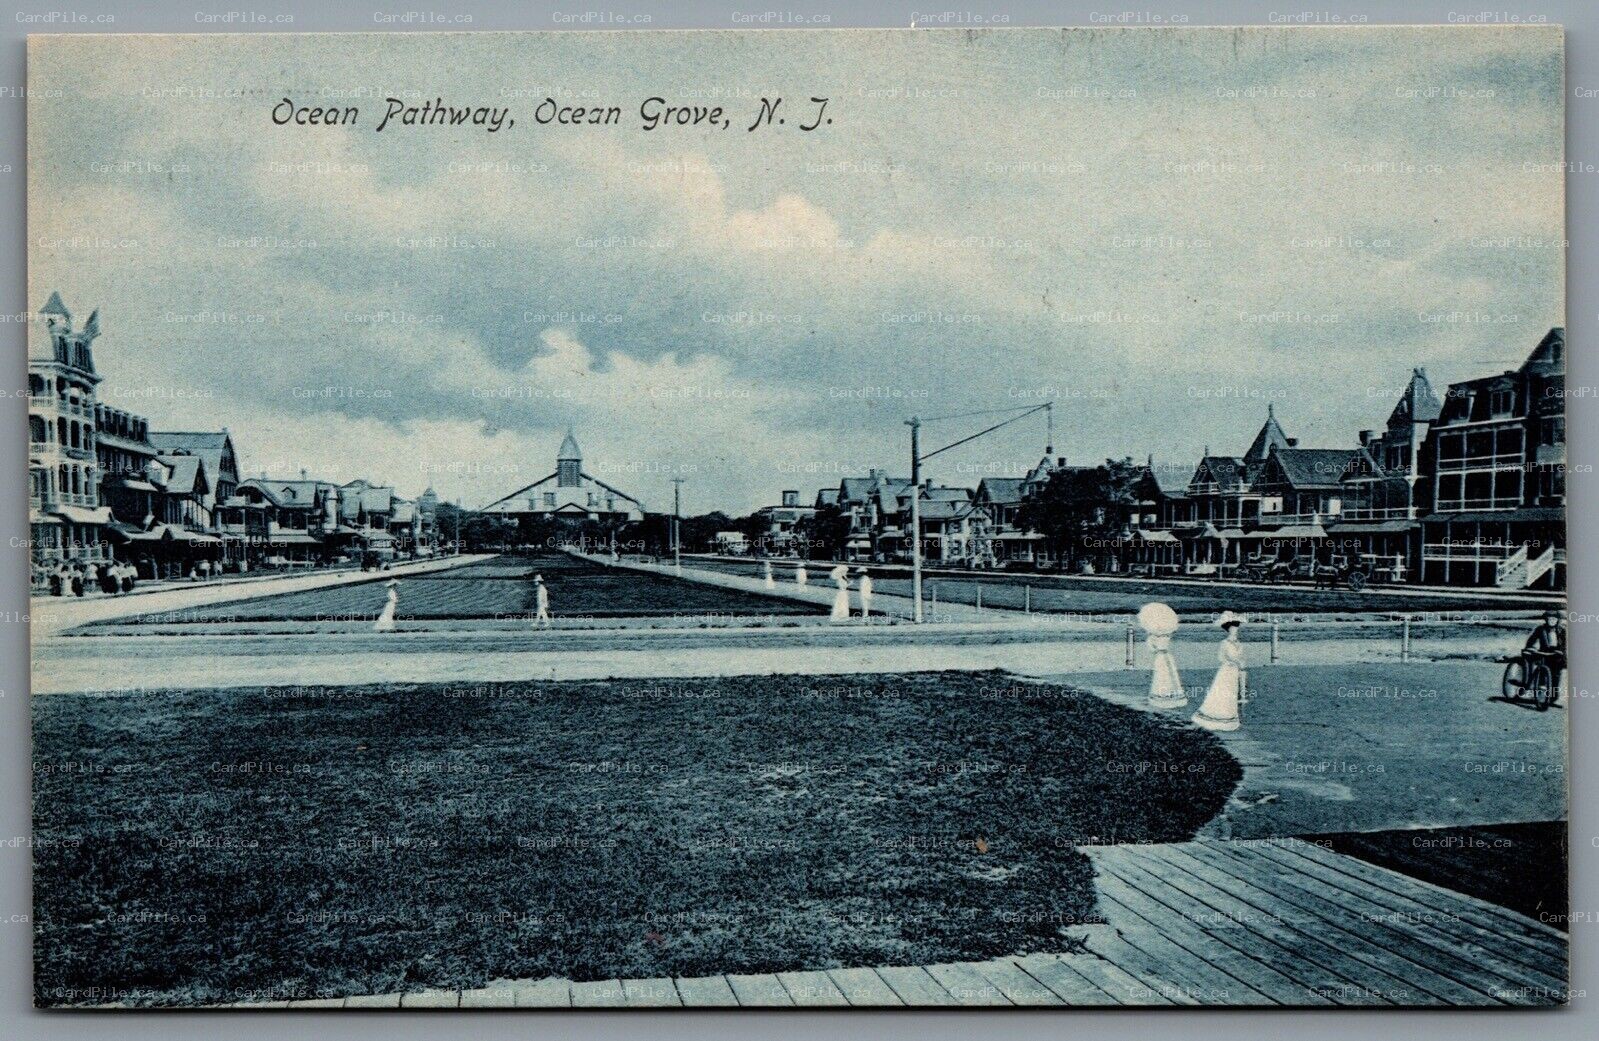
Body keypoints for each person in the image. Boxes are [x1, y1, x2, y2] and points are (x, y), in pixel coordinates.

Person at [1192, 611, 1245, 732]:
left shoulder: (1239, 644)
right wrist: (1232, 661)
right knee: (1222, 692)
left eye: (1236, 628)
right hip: (1226, 670)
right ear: (1228, 630)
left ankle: (1229, 716)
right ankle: (1217, 716)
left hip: (1235, 670)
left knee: (1232, 692)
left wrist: (1240, 663)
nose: (1234, 630)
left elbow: (1241, 656)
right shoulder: (1224, 643)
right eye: (1232, 628)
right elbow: (1221, 657)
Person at [1138, 602, 1185, 709]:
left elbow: (1152, 647)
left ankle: (1167, 695)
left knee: (1165, 675)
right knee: (1164, 675)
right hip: (1163, 656)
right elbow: (1153, 647)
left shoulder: (1157, 636)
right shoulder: (1158, 636)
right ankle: (1165, 695)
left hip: (1163, 656)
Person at [1522, 608, 1567, 682]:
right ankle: (1530, 681)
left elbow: (1564, 645)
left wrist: (1563, 654)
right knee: (1539, 665)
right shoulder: (1541, 629)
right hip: (1543, 651)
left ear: (1557, 620)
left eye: (1554, 619)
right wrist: (1529, 647)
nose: (1552, 621)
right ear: (1546, 620)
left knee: (1556, 672)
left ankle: (1554, 690)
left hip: (1556, 653)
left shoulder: (1561, 630)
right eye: (1549, 619)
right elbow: (1532, 639)